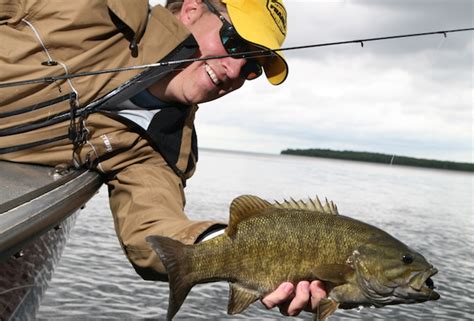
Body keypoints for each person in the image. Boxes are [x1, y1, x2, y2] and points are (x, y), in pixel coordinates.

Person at [0, 0, 326, 316]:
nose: (235, 69)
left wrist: (248, 253)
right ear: (192, 9)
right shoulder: (91, 7)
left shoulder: (161, 150)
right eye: (235, 42)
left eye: (252, 66)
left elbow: (154, 226)